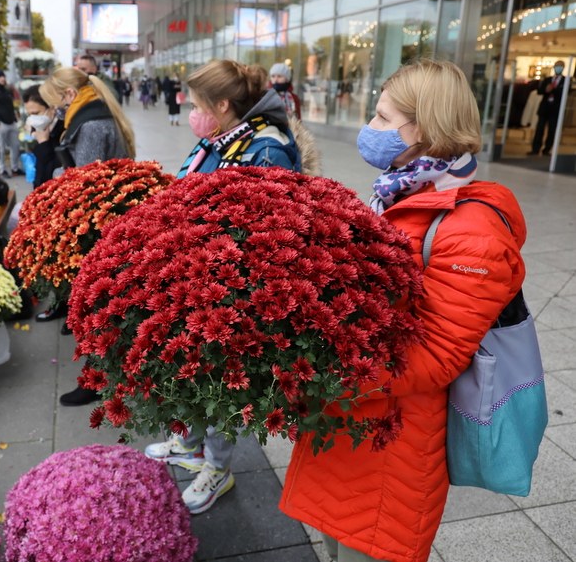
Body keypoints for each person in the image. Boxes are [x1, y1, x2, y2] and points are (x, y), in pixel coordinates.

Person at [279, 60, 526, 562]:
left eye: (384, 118)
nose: (370, 129)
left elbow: (436, 356)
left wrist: (327, 375)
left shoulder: (471, 230)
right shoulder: (400, 192)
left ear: (428, 128)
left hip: (391, 438)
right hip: (352, 420)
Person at [145, 59, 319, 515]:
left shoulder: (266, 148)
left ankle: (218, 469)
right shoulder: (220, 138)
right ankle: (189, 442)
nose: (191, 111)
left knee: (223, 378)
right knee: (187, 368)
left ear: (223, 105)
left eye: (198, 103)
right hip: (193, 275)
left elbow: (263, 233)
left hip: (232, 290)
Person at [38, 66, 136, 406]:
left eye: (55, 104)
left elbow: (87, 184)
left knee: (97, 303)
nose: (55, 112)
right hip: (110, 221)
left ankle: (97, 377)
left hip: (99, 227)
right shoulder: (96, 113)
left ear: (69, 95)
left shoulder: (90, 124)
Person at [21, 84, 63, 189]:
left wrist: (44, 143)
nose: (32, 119)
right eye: (29, 115)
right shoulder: (40, 130)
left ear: (52, 108)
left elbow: (55, 173)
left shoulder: (63, 131)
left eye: (35, 113)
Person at [529, 60, 567, 156]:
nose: (558, 68)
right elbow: (540, 91)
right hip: (544, 108)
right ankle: (535, 149)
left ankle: (547, 149)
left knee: (552, 130)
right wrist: (546, 90)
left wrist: (553, 89)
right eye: (557, 66)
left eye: (560, 66)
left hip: (555, 110)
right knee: (539, 129)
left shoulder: (566, 81)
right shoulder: (547, 79)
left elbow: (565, 93)